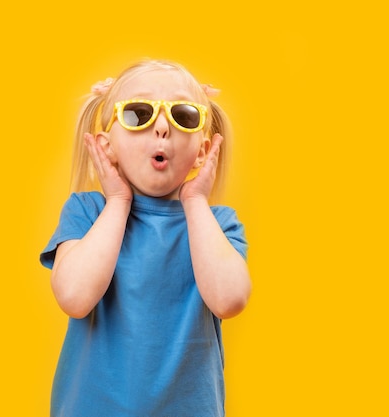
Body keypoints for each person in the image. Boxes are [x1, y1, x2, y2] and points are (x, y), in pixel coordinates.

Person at [40, 59, 251, 417]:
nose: (163, 128)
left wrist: (196, 200)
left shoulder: (217, 224)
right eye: (139, 114)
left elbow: (230, 300)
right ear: (107, 147)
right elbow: (74, 297)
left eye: (184, 116)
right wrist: (118, 201)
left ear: (201, 150)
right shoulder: (86, 212)